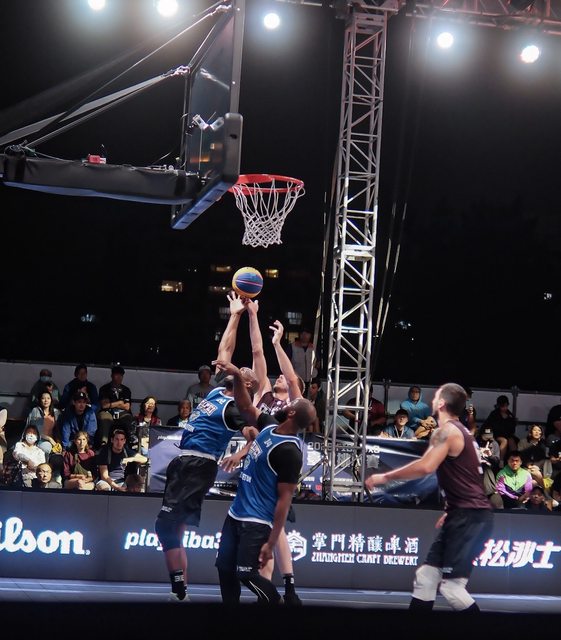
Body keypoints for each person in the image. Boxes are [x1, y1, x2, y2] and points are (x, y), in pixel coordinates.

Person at [154, 291, 259, 603]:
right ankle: (180, 594)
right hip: (184, 462)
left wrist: (240, 453)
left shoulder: (236, 407)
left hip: (198, 464)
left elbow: (255, 435)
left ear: (247, 384)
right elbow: (224, 350)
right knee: (176, 528)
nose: (242, 368)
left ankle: (178, 589)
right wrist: (235, 314)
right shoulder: (216, 392)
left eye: (246, 372)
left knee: (165, 526)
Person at [365, 382, 493, 613]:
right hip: (465, 513)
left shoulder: (447, 431)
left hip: (468, 516)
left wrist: (384, 477)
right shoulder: (463, 432)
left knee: (452, 588)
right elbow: (467, 477)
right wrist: (452, 508)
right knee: (426, 577)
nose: (432, 400)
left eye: (436, 397)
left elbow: (426, 466)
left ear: (441, 403)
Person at [212, 359, 316, 606]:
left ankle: (276, 605)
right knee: (224, 568)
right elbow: (245, 406)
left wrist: (271, 541)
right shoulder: (269, 426)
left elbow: (284, 502)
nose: (287, 403)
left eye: (291, 403)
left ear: (291, 413)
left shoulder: (290, 452)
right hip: (236, 514)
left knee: (246, 573)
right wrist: (238, 375)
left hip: (257, 521)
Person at [96, 365, 134, 448]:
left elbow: (127, 407)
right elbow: (104, 406)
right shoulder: (104, 388)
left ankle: (128, 443)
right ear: (112, 375)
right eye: (117, 375)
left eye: (121, 375)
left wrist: (112, 404)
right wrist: (119, 403)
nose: (119, 377)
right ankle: (104, 443)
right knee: (105, 418)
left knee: (128, 418)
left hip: (122, 413)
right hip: (107, 412)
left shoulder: (126, 390)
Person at [482, 395, 517, 462]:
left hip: (507, 435)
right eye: (503, 406)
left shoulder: (510, 415)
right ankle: (501, 461)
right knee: (504, 441)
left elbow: (512, 429)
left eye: (506, 406)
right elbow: (487, 426)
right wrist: (489, 437)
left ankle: (514, 460)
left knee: (512, 441)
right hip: (495, 435)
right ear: (499, 405)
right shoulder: (494, 414)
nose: (504, 408)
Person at [26, 390, 61, 458]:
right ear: (40, 400)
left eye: (48, 398)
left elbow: (58, 431)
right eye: (43, 398)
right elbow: (34, 431)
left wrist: (58, 443)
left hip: (53, 441)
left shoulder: (56, 412)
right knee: (46, 447)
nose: (46, 400)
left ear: (51, 400)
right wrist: (49, 439)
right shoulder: (35, 411)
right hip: (38, 440)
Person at [285, 327, 317, 391]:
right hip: (297, 380)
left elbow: (318, 362)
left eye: (307, 333)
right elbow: (286, 362)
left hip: (312, 380)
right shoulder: (292, 346)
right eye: (302, 333)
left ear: (310, 335)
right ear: (299, 334)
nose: (304, 335)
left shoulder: (314, 347)